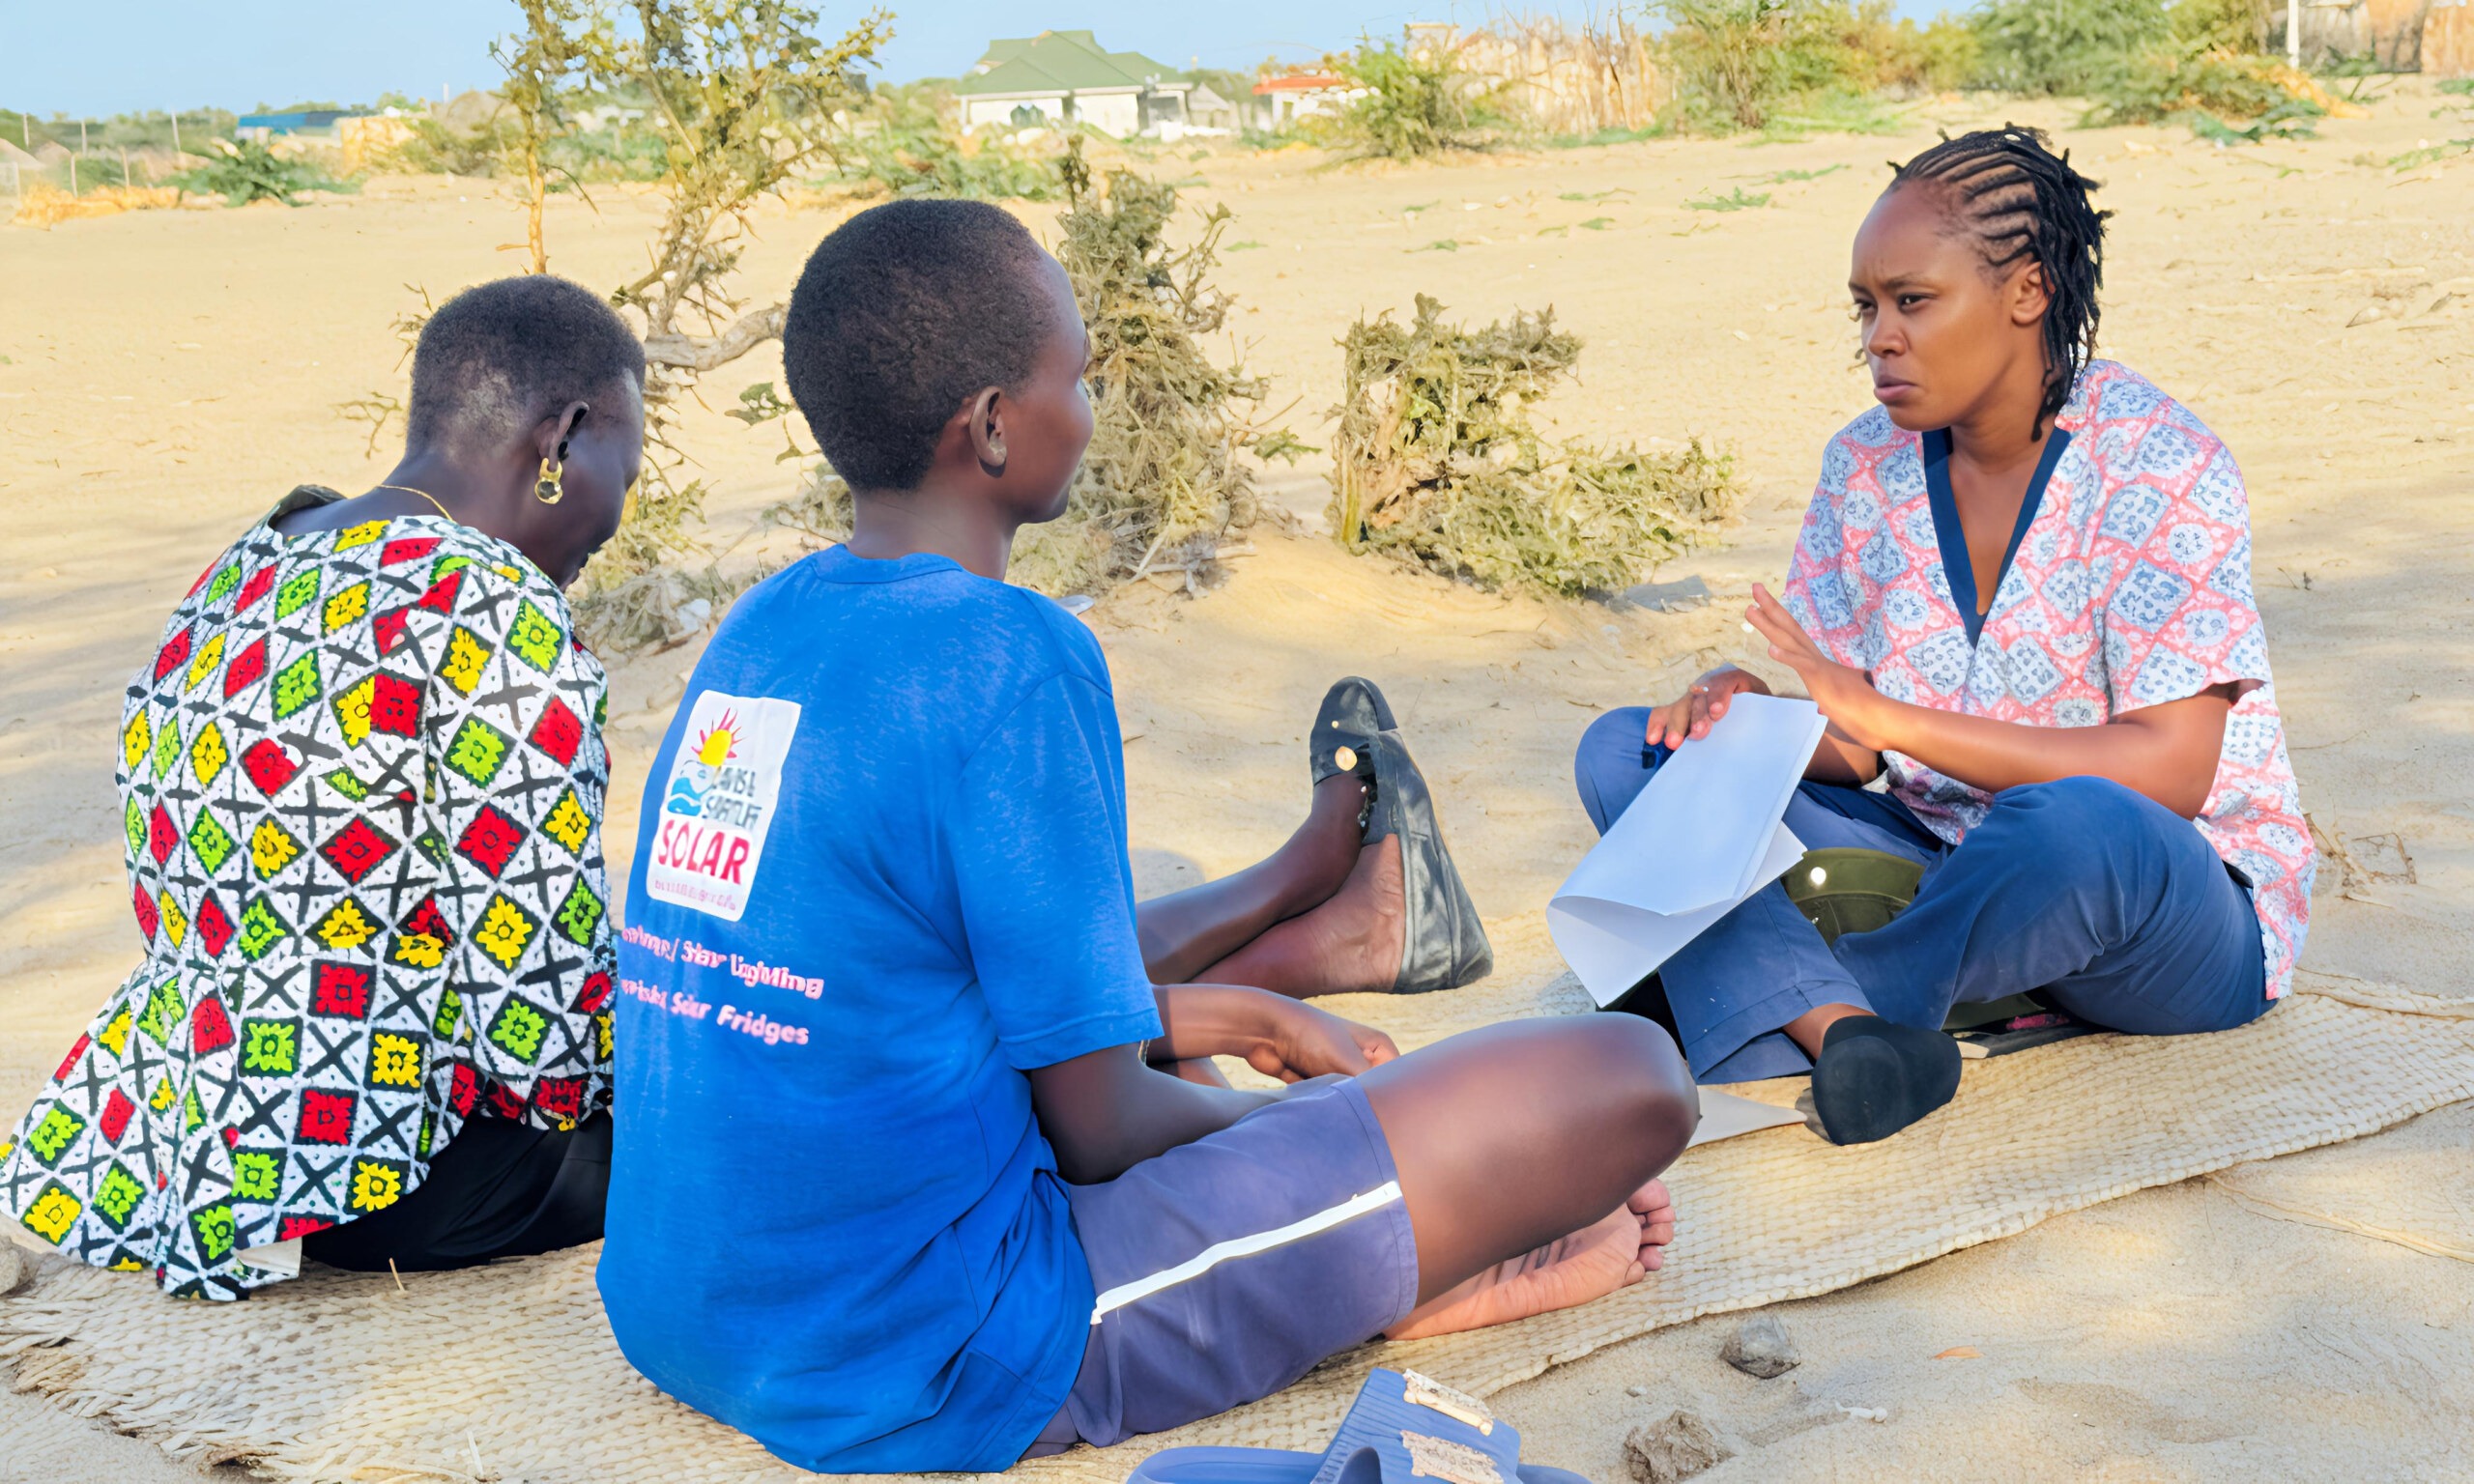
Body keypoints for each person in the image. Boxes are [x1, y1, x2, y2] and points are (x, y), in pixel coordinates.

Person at [596, 200, 1701, 1473]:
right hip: (924, 1350)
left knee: (1310, 1083)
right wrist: (1385, 1138)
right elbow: (1102, 1128)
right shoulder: (1012, 657)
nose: (1089, 405)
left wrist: (1247, 1026)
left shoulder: (764, 624)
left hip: (680, 1307)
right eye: (1075, 376)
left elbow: (936, 979)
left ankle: (1321, 979)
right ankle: (1391, 1268)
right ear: (993, 425)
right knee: (1625, 1078)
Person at [1574, 126, 2313, 1146]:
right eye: (1865, 307)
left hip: (2160, 904)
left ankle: (1767, 998)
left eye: (1912, 301)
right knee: (1633, 750)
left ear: (2027, 292)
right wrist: (1748, 717)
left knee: (2078, 821)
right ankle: (1848, 1032)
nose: (1880, 337)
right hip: (1937, 860)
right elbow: (1854, 746)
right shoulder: (1864, 466)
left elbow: (2172, 775)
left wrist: (1888, 718)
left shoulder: (2159, 459)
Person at [0, 276, 645, 1298]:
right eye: (625, 465)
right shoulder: (487, 603)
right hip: (398, 1170)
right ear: (562, 442)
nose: (619, 510)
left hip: (193, 1130)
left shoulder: (263, 554)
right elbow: (542, 1010)